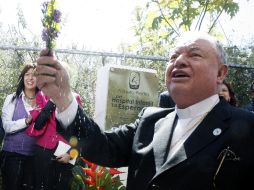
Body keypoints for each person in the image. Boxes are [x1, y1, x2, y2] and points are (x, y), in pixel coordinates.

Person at [36, 32, 254, 190]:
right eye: (173, 57)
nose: (179, 61)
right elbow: (101, 146)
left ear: (220, 73)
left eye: (194, 55)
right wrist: (63, 96)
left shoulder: (247, 128)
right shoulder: (150, 121)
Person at [1, 63, 38, 190]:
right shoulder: (12, 99)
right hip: (12, 156)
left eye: (34, 75)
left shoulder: (43, 101)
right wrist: (27, 121)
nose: (30, 78)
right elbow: (6, 126)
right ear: (22, 78)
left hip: (34, 157)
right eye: (27, 74)